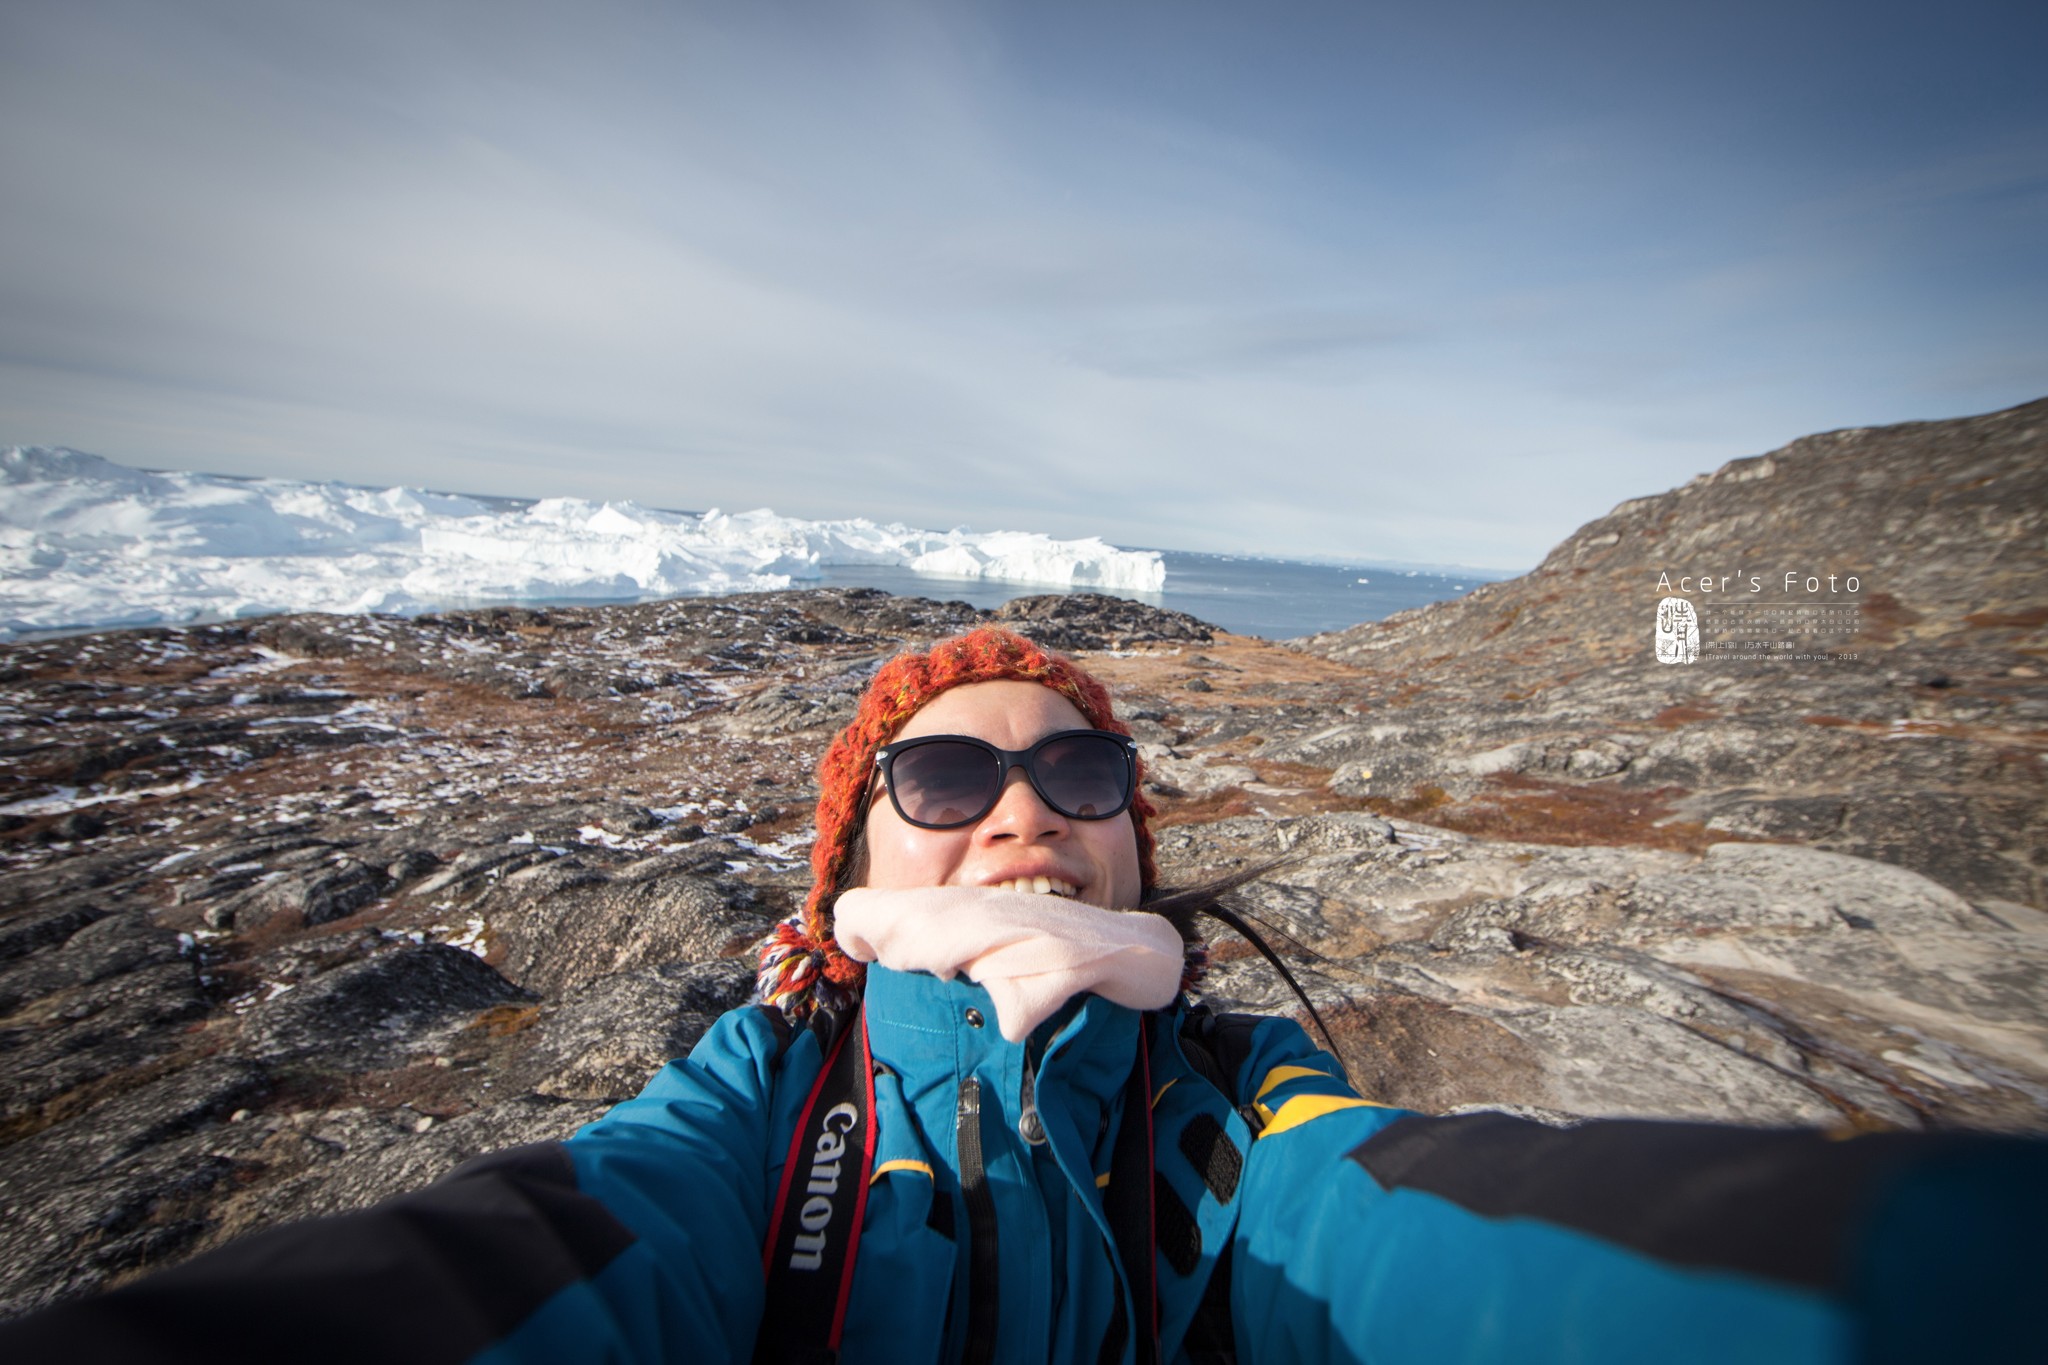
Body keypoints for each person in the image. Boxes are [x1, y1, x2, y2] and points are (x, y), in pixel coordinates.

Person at [2, 626, 2041, 1365]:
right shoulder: (753, 1118)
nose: (1017, 816)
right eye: (944, 775)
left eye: (1077, 773)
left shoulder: (1243, 1108)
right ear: (852, 864)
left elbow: (1439, 1227)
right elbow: (567, 1249)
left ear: (1136, 839)